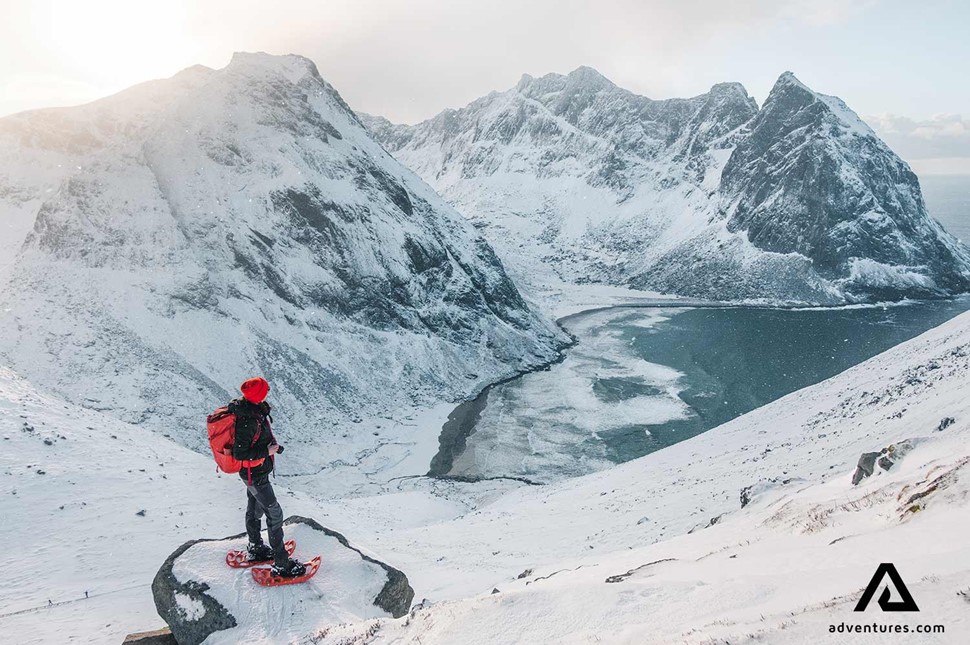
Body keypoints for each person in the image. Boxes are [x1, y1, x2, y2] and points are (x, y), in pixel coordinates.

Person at [230, 377, 306, 578]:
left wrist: (273, 449)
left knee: (254, 509)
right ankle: (282, 564)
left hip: (256, 473)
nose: (269, 391)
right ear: (258, 395)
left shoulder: (254, 410)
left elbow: (258, 443)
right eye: (265, 389)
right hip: (255, 476)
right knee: (274, 515)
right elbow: (240, 453)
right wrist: (266, 451)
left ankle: (256, 548)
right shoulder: (247, 420)